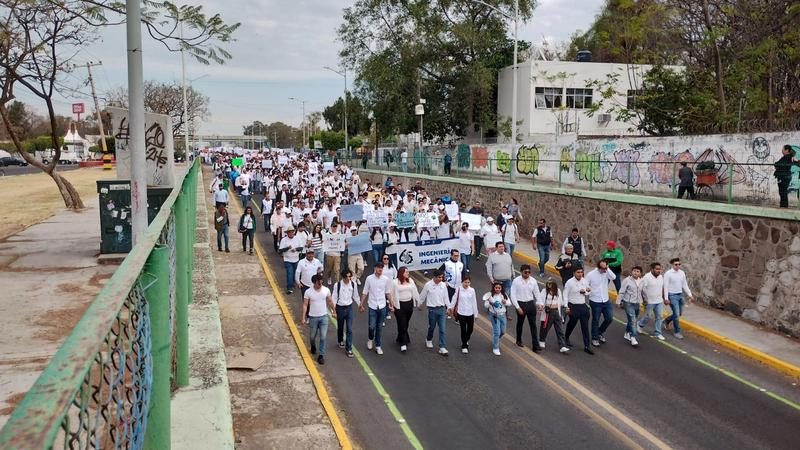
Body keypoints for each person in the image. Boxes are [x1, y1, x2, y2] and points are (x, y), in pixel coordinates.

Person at [360, 263, 394, 355]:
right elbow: (365, 291)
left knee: (379, 327)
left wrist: (391, 304)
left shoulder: (385, 279)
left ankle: (378, 345)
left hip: (382, 305)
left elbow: (388, 293)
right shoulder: (369, 278)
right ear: (375, 268)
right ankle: (370, 339)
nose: (380, 270)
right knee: (372, 326)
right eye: (379, 268)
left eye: (381, 268)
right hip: (372, 305)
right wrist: (361, 304)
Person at [301, 274, 336, 365]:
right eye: (318, 283)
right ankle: (313, 346)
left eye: (321, 283)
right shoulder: (308, 292)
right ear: (314, 283)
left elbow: (329, 301)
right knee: (312, 337)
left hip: (324, 317)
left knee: (323, 337)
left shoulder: (326, 290)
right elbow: (305, 305)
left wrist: (334, 311)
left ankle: (321, 355)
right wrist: (303, 317)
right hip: (313, 317)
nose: (320, 285)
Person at [510, 264, 542, 352]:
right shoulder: (516, 281)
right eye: (525, 272)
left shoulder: (533, 281)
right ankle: (518, 340)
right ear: (521, 272)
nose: (527, 274)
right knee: (520, 323)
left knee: (533, 325)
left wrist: (539, 303)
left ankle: (535, 346)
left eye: (529, 272)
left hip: (531, 304)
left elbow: (537, 293)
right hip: (521, 304)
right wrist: (517, 307)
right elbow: (512, 295)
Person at [419, 270, 451, 356]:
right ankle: (429, 339)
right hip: (432, 310)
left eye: (442, 277)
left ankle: (442, 347)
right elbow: (422, 295)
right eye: (439, 277)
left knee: (442, 329)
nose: (441, 279)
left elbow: (446, 297)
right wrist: (419, 304)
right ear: (434, 277)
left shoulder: (443, 285)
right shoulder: (428, 285)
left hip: (441, 310)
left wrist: (449, 307)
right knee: (432, 327)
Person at [586, 260, 617, 347]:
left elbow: (613, 277)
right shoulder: (591, 274)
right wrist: (588, 290)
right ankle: (595, 338)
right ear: (599, 267)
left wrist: (607, 268)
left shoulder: (606, 272)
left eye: (605, 268)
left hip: (605, 300)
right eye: (603, 269)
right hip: (595, 301)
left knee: (609, 318)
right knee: (596, 320)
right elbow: (585, 285)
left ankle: (599, 332)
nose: (604, 270)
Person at [563, 268, 594, 355]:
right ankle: (566, 337)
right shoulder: (569, 282)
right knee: (572, 323)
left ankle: (587, 346)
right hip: (572, 305)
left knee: (585, 326)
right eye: (578, 272)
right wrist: (566, 306)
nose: (580, 274)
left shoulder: (584, 281)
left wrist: (586, 291)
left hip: (582, 305)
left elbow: (588, 292)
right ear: (574, 273)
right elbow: (565, 294)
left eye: (581, 272)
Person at [663, 258, 694, 339]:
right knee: (676, 314)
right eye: (676, 264)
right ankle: (677, 332)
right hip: (672, 296)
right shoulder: (668, 274)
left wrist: (690, 295)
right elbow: (665, 286)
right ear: (672, 265)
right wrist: (666, 298)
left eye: (679, 264)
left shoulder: (682, 273)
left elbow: (685, 285)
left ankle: (666, 320)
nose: (678, 266)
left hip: (680, 295)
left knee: (679, 313)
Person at [638, 262, 669, 341]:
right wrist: (643, 300)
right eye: (657, 269)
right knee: (647, 316)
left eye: (660, 269)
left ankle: (657, 333)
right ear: (652, 269)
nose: (659, 270)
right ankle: (639, 325)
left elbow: (663, 288)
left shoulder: (661, 277)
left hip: (659, 301)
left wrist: (665, 298)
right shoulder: (646, 277)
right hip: (649, 301)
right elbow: (641, 289)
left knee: (659, 316)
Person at [332, 269, 360, 357]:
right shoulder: (338, 285)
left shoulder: (353, 284)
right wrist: (334, 311)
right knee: (340, 327)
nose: (348, 278)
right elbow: (334, 297)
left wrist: (360, 305)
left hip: (349, 308)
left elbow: (355, 296)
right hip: (340, 308)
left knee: (349, 329)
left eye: (350, 276)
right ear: (343, 277)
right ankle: (340, 340)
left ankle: (349, 349)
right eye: (347, 277)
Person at [392, 267, 419, 352]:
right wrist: (391, 305)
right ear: (401, 273)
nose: (408, 273)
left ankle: (400, 338)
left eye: (408, 272)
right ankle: (403, 343)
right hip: (399, 305)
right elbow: (391, 294)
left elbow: (415, 291)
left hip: (409, 304)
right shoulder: (395, 282)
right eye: (406, 272)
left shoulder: (410, 281)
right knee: (402, 323)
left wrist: (419, 302)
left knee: (405, 323)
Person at [538, 279, 569, 353]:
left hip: (556, 312)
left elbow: (561, 302)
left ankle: (562, 346)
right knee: (545, 328)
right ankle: (542, 340)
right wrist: (541, 306)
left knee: (560, 329)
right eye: (548, 284)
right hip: (548, 313)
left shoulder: (558, 291)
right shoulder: (544, 291)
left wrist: (566, 306)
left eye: (551, 284)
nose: (549, 285)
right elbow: (540, 300)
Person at [617, 266, 643, 347]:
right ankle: (633, 337)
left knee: (632, 320)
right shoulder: (627, 280)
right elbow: (621, 292)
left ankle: (627, 333)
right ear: (632, 272)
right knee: (633, 320)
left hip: (637, 303)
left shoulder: (641, 281)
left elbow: (643, 292)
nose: (635, 272)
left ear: (640, 273)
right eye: (634, 271)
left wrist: (645, 300)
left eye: (638, 271)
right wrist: (618, 301)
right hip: (628, 302)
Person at [484, 282, 512, 355]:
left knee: (503, 331)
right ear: (494, 288)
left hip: (502, 315)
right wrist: (489, 303)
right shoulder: (490, 295)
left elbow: (509, 303)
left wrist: (505, 302)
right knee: (497, 332)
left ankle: (495, 339)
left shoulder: (504, 295)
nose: (497, 289)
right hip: (494, 315)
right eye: (496, 287)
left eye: (499, 288)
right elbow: (486, 305)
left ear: (501, 288)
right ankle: (495, 348)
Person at [451, 277, 478, 353]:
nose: (467, 284)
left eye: (468, 282)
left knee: (470, 329)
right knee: (463, 329)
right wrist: (450, 308)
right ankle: (464, 345)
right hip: (461, 312)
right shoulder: (458, 289)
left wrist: (476, 314)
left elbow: (474, 302)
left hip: (470, 312)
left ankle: (465, 340)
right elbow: (454, 299)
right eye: (465, 282)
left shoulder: (472, 290)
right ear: (462, 282)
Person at [278, 226, 304, 294]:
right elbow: (280, 250)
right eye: (290, 232)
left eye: (292, 232)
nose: (291, 233)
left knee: (295, 273)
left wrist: (295, 249)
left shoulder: (297, 238)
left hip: (296, 259)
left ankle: (292, 283)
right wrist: (287, 248)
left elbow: (301, 247)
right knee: (290, 273)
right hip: (287, 259)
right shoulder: (284, 240)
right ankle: (289, 288)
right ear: (287, 233)